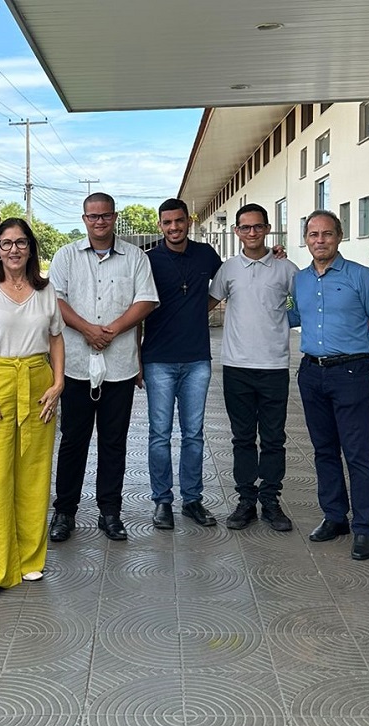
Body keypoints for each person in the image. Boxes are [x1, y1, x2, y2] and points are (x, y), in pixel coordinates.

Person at [0, 218, 64, 604]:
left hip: (38, 382)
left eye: (21, 242)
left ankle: (29, 557)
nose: (14, 250)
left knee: (34, 472)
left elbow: (56, 338)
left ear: (31, 247)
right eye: (6, 243)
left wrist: (58, 382)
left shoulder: (45, 289)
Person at [47, 192, 159, 543]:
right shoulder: (66, 256)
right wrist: (87, 329)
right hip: (76, 365)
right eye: (93, 216)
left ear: (114, 217)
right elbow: (55, 299)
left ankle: (110, 512)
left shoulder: (135, 257)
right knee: (72, 442)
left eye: (105, 215)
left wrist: (110, 330)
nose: (99, 221)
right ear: (84, 219)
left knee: (114, 443)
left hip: (119, 366)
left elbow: (146, 300)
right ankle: (64, 512)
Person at [292, 210, 369, 561]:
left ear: (339, 236)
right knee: (324, 450)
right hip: (311, 374)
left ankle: (364, 527)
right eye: (313, 234)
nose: (320, 240)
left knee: (358, 453)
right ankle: (335, 517)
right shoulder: (299, 280)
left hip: (350, 373)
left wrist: (362, 358)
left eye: (327, 234)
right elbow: (291, 313)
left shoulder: (360, 276)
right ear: (306, 239)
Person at [210, 203, 299, 532]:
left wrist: (284, 321)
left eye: (258, 226)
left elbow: (305, 303)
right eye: (245, 227)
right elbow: (207, 303)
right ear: (236, 231)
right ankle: (246, 501)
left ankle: (271, 501)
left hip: (274, 366)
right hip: (236, 367)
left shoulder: (285, 268)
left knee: (274, 439)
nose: (252, 232)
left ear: (267, 229)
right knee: (243, 438)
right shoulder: (228, 269)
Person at [140, 198, 222, 530]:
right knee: (159, 435)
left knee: (194, 434)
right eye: (167, 222)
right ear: (160, 225)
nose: (174, 227)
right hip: (158, 359)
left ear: (189, 221)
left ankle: (192, 500)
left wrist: (274, 256)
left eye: (179, 221)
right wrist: (136, 359)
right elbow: (137, 308)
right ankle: (162, 501)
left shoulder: (206, 255)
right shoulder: (148, 260)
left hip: (197, 359)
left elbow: (232, 279)